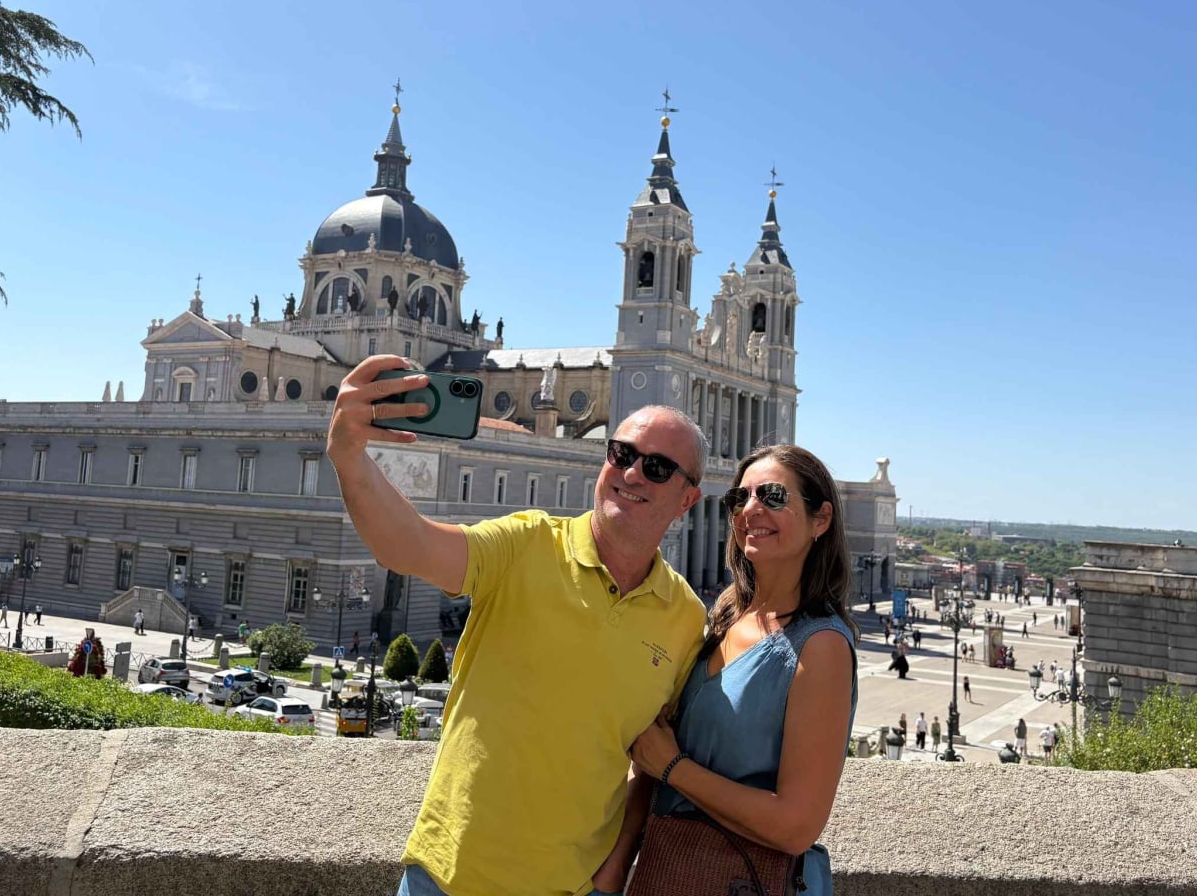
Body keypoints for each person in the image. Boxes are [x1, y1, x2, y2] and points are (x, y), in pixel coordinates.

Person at [325, 355, 709, 896]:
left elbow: (650, 760)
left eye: (658, 468)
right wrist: (349, 456)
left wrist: (614, 872)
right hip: (448, 877)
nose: (630, 473)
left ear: (688, 499)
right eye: (621, 454)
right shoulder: (526, 543)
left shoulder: (686, 619)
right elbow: (407, 544)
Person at [629, 443, 858, 896]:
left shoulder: (822, 646)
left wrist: (672, 767)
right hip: (669, 865)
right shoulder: (728, 613)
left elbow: (796, 827)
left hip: (741, 879)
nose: (750, 510)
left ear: (821, 519)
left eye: (772, 496)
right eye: (740, 498)